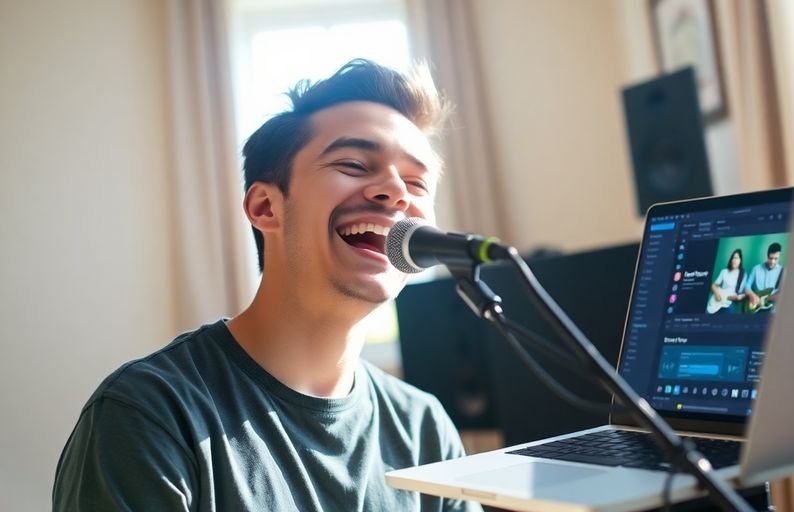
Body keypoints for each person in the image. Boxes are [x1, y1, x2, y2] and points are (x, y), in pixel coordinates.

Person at [53, 59, 482, 512]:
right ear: (265, 207)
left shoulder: (425, 427)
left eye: (417, 183)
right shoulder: (149, 412)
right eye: (355, 164)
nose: (396, 192)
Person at [744, 242, 784, 311]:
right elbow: (747, 286)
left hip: (772, 308)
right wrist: (752, 295)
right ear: (767, 255)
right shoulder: (756, 269)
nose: (773, 262)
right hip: (756, 307)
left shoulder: (782, 271)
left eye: (776, 259)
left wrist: (768, 298)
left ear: (779, 257)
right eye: (771, 258)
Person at [707, 249, 746, 313]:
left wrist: (738, 297)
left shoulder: (743, 275)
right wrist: (716, 294)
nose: (734, 260)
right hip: (718, 299)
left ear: (740, 260)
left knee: (731, 311)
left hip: (729, 301)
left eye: (736, 258)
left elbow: (740, 294)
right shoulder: (724, 271)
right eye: (733, 258)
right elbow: (714, 285)